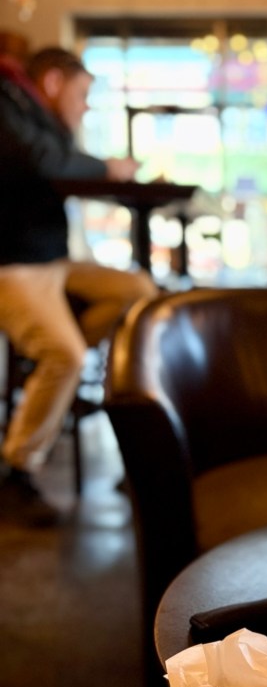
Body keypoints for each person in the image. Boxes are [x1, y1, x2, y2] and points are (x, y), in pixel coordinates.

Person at [0, 46, 158, 526]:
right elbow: (47, 162)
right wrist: (107, 168)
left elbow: (59, 161)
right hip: (14, 265)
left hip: (54, 260)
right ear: (52, 82)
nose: (85, 106)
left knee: (140, 291)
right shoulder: (8, 103)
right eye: (81, 94)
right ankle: (17, 469)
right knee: (65, 354)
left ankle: (55, 374)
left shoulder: (33, 113)